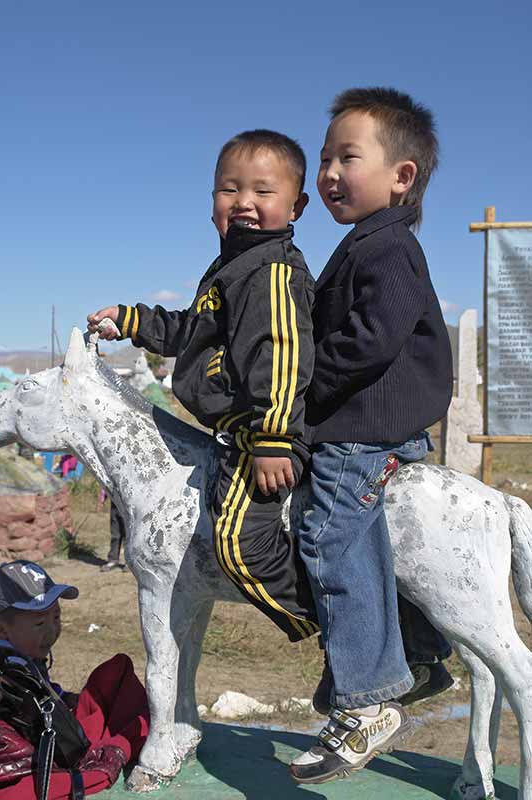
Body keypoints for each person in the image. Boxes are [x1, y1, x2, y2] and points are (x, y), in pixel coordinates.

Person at [87, 129, 321, 641]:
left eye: (263, 192)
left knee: (239, 544)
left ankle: (337, 627)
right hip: (239, 435)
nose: (244, 203)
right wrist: (130, 320)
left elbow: (281, 355)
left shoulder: (272, 272)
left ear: (297, 205)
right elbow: (191, 332)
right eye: (229, 189)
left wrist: (274, 438)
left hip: (263, 437)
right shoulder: (230, 269)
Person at [289, 87, 454, 784]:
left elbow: (367, 342)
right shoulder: (368, 243)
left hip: (363, 432)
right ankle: (417, 658)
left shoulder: (384, 247)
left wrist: (301, 388)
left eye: (345, 157)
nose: (327, 171)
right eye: (323, 157)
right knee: (381, 552)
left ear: (401, 176)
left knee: (329, 537)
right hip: (373, 425)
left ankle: (365, 704)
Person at [0, 560, 149, 799]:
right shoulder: (8, 669)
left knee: (115, 672)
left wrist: (63, 700)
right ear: (2, 630)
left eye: (56, 617)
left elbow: (44, 693)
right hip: (24, 759)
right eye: (39, 623)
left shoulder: (22, 657)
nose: (51, 631)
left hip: (49, 735)